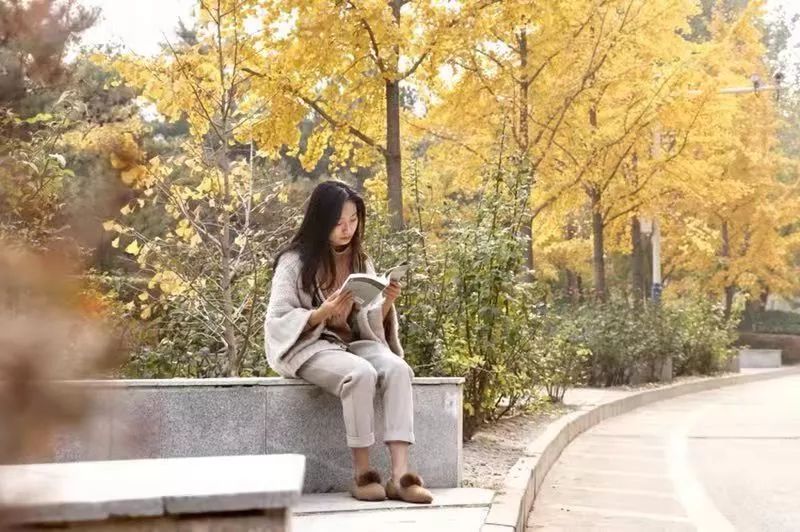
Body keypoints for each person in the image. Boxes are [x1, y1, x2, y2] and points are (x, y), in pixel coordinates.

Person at [264, 180, 432, 504]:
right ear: (320, 220)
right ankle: (363, 474)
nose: (347, 229)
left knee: (398, 369)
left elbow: (364, 321)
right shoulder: (293, 262)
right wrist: (319, 313)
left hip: (353, 342)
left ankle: (401, 477)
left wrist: (385, 302)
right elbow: (277, 320)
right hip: (310, 345)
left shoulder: (360, 260)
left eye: (353, 220)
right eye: (339, 222)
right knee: (360, 374)